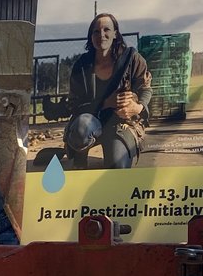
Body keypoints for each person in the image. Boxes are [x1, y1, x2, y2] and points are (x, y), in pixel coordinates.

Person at [63, 12, 152, 169]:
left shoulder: (132, 59)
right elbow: (74, 105)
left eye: (106, 30)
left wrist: (137, 107)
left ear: (115, 33)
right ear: (91, 36)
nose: (101, 35)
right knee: (81, 129)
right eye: (96, 31)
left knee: (117, 167)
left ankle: (116, 146)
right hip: (90, 119)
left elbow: (145, 88)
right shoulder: (82, 65)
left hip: (122, 122)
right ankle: (79, 155)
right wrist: (105, 103)